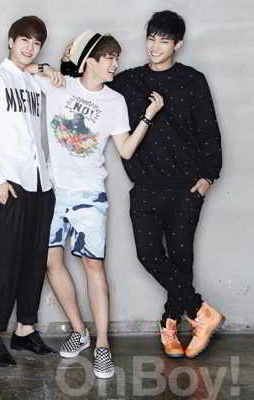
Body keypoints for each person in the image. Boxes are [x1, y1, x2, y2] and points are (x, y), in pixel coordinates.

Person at [33, 30, 163, 378]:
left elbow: (126, 150)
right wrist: (50, 68)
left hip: (89, 194)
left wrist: (148, 116)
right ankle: (80, 332)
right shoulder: (60, 85)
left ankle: (103, 346)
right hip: (53, 191)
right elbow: (25, 69)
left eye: (117, 59)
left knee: (93, 266)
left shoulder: (115, 101)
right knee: (50, 261)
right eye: (109, 58)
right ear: (89, 60)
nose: (115, 64)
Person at [108, 10, 224, 359]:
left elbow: (209, 131)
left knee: (181, 258)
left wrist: (208, 177)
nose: (155, 46)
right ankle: (201, 312)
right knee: (149, 255)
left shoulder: (193, 81)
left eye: (163, 40)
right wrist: (61, 68)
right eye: (151, 38)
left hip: (185, 187)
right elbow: (90, 83)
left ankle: (170, 323)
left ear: (178, 45)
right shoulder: (128, 81)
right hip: (145, 185)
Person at [0, 16, 56, 367]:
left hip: (41, 182)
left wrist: (49, 70)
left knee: (35, 259)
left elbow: (65, 85)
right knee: (7, 259)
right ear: (11, 40)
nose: (30, 47)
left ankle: (25, 329)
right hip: (11, 182)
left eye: (36, 43)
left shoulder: (36, 82)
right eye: (24, 40)